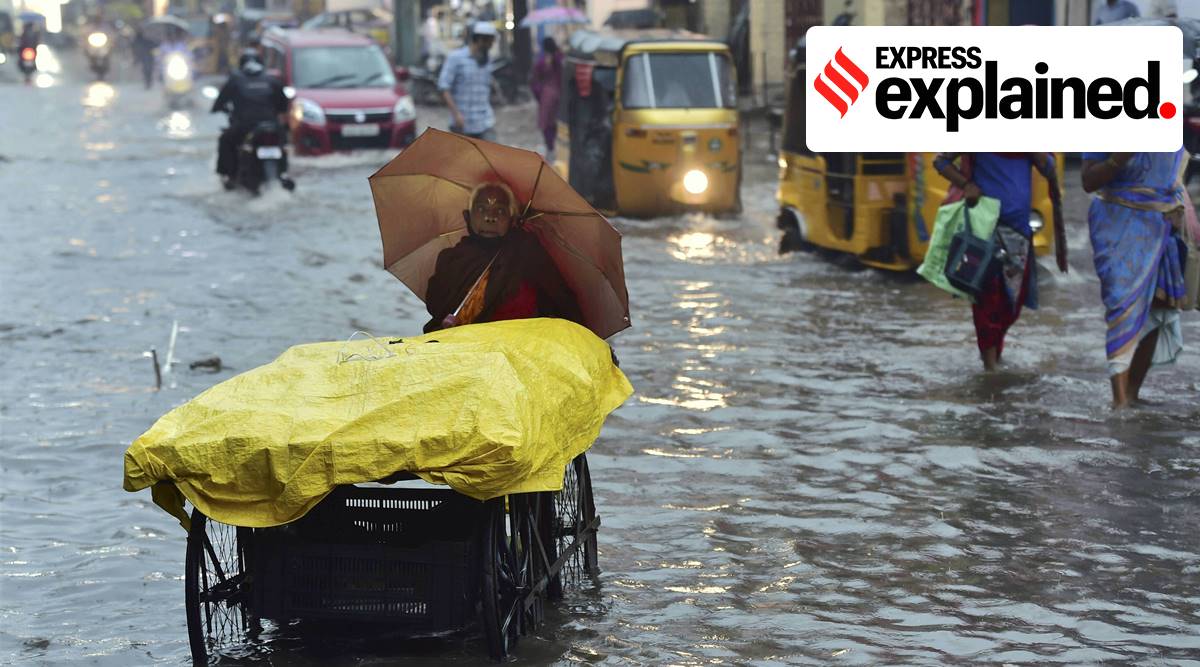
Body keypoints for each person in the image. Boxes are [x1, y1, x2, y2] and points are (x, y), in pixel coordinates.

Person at [934, 152, 1065, 371]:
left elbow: (1050, 168)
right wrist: (966, 185)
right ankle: (990, 365)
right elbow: (941, 161)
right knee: (987, 300)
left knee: (1014, 301)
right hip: (986, 229)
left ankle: (996, 350)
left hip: (1020, 232)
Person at [1080, 151, 1190, 408]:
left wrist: (1181, 210)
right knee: (1121, 308)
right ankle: (1119, 404)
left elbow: (1174, 177)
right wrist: (1119, 158)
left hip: (1162, 225)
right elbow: (1087, 181)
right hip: (1117, 223)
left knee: (1158, 309)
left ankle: (1131, 394)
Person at [424, 181, 582, 333]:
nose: (490, 218)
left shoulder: (528, 254)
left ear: (512, 220)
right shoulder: (452, 259)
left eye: (500, 211)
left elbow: (560, 300)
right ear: (468, 217)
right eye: (481, 209)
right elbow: (437, 305)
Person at [210, 49, 291, 189]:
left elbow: (219, 103)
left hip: (244, 127)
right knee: (283, 142)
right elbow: (284, 106)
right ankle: (283, 174)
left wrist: (219, 108)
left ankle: (229, 177)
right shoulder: (272, 80)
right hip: (272, 127)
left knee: (225, 140)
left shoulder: (235, 79)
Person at [438, 21, 498, 141]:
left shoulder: (487, 60)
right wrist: (456, 115)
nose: (491, 46)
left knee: (491, 158)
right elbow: (444, 87)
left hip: (485, 122)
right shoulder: (456, 58)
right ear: (481, 40)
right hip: (462, 124)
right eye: (490, 42)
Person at [529, 37, 562, 160]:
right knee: (554, 122)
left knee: (547, 123)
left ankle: (551, 147)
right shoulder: (560, 58)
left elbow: (534, 81)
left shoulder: (542, 62)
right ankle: (554, 147)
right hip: (560, 96)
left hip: (547, 97)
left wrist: (539, 93)